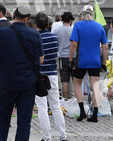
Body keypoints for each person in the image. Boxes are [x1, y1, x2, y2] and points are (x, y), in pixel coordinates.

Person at [0, 5, 40, 141]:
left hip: (7, 82)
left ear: (13, 16)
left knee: (2, 120)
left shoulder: (2, 32)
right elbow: (41, 59)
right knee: (24, 122)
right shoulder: (34, 34)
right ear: (27, 19)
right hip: (28, 83)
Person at [69, 4, 107, 122]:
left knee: (77, 84)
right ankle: (95, 114)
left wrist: (70, 59)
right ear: (93, 14)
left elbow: (74, 44)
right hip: (95, 60)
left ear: (83, 14)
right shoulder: (99, 27)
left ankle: (82, 112)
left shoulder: (78, 25)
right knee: (95, 86)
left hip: (81, 60)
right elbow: (105, 47)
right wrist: (104, 63)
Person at [34, 13, 65, 141]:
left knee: (42, 107)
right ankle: (63, 135)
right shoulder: (54, 37)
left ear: (35, 24)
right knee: (55, 106)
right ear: (48, 24)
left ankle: (46, 137)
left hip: (40, 75)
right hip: (52, 74)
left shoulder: (35, 38)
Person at [52, 11, 74, 101]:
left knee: (64, 81)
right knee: (75, 81)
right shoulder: (73, 30)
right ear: (71, 20)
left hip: (62, 57)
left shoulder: (57, 30)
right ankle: (75, 100)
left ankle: (65, 100)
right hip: (73, 57)